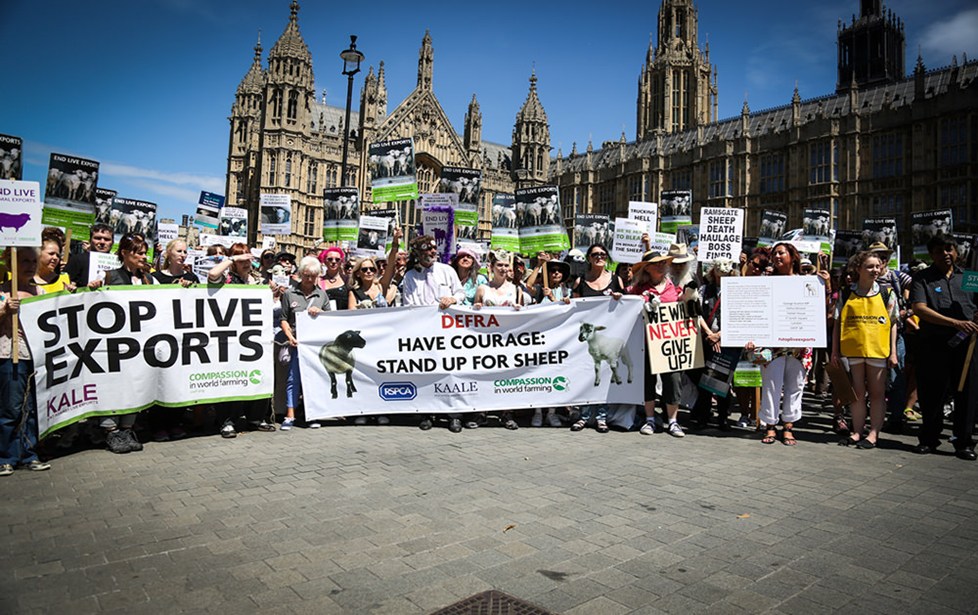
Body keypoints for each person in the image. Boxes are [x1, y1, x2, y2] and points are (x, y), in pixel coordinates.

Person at [909, 235, 978, 460]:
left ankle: (964, 442)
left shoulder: (969, 277)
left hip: (967, 346)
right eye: (939, 251)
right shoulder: (923, 278)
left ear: (957, 252)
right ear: (932, 254)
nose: (945, 254)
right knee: (932, 394)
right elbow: (919, 308)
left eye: (949, 250)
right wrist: (954, 323)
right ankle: (929, 438)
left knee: (966, 394)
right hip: (934, 344)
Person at [745, 242, 814, 446]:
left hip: (799, 346)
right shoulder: (766, 281)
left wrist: (825, 285)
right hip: (772, 346)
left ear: (792, 256)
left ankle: (789, 426)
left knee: (795, 386)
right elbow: (754, 308)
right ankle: (770, 426)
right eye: (774, 253)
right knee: (771, 386)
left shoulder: (806, 282)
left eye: (781, 253)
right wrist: (750, 337)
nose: (776, 257)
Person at [94, 234, 158, 453]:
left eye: (144, 252)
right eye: (138, 252)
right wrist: (93, 288)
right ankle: (110, 431)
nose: (142, 257)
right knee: (112, 384)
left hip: (139, 343)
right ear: (124, 253)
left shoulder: (149, 279)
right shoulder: (108, 277)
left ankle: (127, 428)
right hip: (113, 343)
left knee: (134, 383)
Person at [832, 251, 899, 449]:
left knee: (877, 393)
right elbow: (838, 323)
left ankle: (873, 433)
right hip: (853, 349)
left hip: (878, 350)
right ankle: (857, 431)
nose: (875, 270)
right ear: (859, 269)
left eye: (878, 266)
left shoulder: (888, 292)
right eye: (870, 266)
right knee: (858, 393)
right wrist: (835, 351)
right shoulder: (846, 293)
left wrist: (893, 352)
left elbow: (893, 322)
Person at [401, 235, 466, 432]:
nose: (432, 252)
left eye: (433, 248)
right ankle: (427, 413)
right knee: (426, 372)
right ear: (418, 254)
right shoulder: (411, 276)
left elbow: (461, 293)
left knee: (450, 370)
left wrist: (452, 299)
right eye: (427, 250)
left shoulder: (446, 271)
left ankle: (454, 415)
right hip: (424, 333)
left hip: (447, 331)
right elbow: (409, 305)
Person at [0, 247, 51, 475]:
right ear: (10, 263)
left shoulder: (40, 291)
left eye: (33, 261)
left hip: (37, 358)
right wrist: (4, 310)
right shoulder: (3, 292)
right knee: (11, 409)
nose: (30, 265)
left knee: (32, 410)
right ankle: (6, 456)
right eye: (24, 261)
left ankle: (29, 453)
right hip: (11, 356)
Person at [627, 249, 686, 438]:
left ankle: (673, 421)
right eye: (656, 263)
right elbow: (626, 308)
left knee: (673, 381)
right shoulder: (638, 289)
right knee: (647, 381)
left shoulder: (674, 286)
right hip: (646, 343)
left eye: (663, 262)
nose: (662, 265)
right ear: (647, 268)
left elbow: (685, 309)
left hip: (670, 343)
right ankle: (650, 419)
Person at [280, 256, 332, 430]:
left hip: (314, 346)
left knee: (314, 379)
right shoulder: (289, 294)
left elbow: (330, 320)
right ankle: (290, 415)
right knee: (293, 379)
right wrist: (289, 336)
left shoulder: (321, 294)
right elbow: (284, 319)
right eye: (307, 275)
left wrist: (320, 312)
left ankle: (312, 414)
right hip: (297, 342)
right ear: (301, 274)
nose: (310, 279)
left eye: (313, 275)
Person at [689, 257, 739, 431]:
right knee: (705, 380)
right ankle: (703, 416)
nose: (722, 270)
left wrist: (721, 336)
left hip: (728, 341)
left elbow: (740, 316)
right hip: (706, 339)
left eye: (726, 267)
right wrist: (710, 334)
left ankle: (723, 417)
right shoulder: (704, 289)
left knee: (722, 380)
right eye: (719, 267)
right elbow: (697, 313)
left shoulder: (737, 291)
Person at [733, 247, 770, 428]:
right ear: (747, 263)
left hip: (761, 339)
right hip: (739, 338)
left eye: (761, 268)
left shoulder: (766, 285)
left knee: (761, 379)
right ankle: (744, 414)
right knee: (741, 379)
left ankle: (759, 413)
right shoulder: (735, 282)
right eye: (754, 265)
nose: (757, 270)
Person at [64, 222, 114, 287]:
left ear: (112, 242)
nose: (102, 242)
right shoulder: (77, 260)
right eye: (98, 238)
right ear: (90, 240)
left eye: (107, 239)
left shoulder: (119, 263)